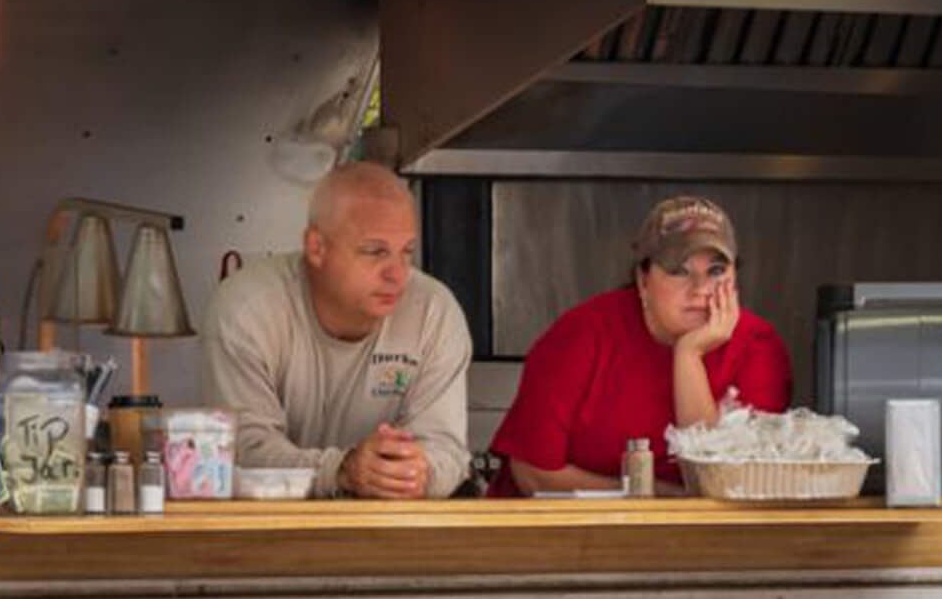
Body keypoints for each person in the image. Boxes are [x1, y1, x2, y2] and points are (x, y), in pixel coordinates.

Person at [199, 163, 472, 500]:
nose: (397, 275)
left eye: (407, 252)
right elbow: (242, 453)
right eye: (375, 252)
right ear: (316, 248)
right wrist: (342, 470)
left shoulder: (434, 311)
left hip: (392, 539)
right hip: (267, 536)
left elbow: (447, 450)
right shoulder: (245, 309)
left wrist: (417, 470)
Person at [490, 195, 792, 495]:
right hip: (553, 534)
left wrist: (689, 355)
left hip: (701, 540)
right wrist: (653, 495)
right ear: (642, 279)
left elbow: (722, 487)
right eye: (679, 271)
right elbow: (533, 474)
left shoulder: (757, 345)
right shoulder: (582, 335)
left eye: (715, 271)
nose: (700, 289)